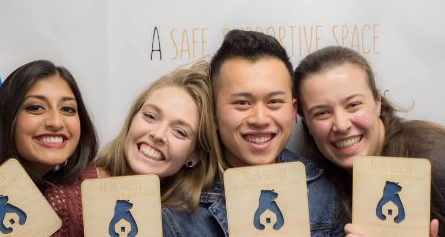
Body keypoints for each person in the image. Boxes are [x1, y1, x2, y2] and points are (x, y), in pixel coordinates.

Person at [162, 30, 343, 237]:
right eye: (242, 103)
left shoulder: (326, 192)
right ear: (213, 114)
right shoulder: (175, 209)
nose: (260, 119)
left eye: (274, 102)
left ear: (293, 112)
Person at [293, 46, 444, 237]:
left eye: (354, 105)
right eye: (322, 113)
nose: (341, 125)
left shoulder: (435, 162)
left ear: (378, 104)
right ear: (307, 125)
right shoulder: (321, 186)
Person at [0, 60, 99, 237]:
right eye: (36, 108)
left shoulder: (62, 203)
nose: (56, 122)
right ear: (7, 117)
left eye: (67, 109)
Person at [96, 60, 223, 215]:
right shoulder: (72, 192)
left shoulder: (187, 223)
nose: (158, 135)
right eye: (150, 116)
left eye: (179, 132)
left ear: (195, 156)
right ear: (132, 119)